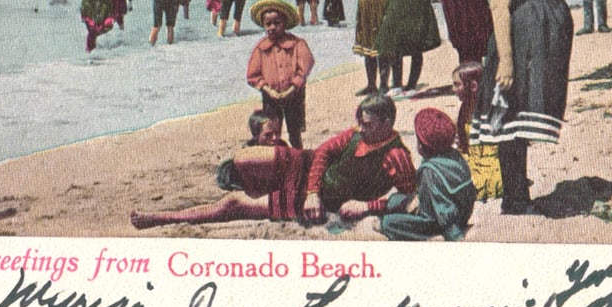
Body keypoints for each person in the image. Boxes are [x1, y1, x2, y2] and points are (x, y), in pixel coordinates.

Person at [131, 96, 416, 229]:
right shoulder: (354, 134)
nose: (360, 128)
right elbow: (323, 154)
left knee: (232, 206)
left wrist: (367, 207)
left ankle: (161, 218)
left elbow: (406, 196)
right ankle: (239, 177)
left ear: (387, 122)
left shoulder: (397, 156)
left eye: (367, 124)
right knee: (245, 161)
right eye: (360, 123)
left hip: (322, 200)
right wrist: (314, 192)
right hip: (309, 176)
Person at [469, 0, 574, 212]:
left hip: (543, 39)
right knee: (511, 115)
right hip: (524, 37)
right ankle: (514, 198)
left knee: (523, 112)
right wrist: (507, 60)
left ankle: (518, 192)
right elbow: (499, 6)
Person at [378, 108, 476, 241]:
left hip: (438, 220)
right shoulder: (453, 154)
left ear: (423, 145)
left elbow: (443, 209)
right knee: (394, 200)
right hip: (461, 210)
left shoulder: (429, 171)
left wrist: (454, 235)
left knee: (387, 223)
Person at [246, 0, 315, 150]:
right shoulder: (261, 48)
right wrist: (269, 90)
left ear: (284, 23)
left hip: (294, 95)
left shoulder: (297, 44)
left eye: (277, 23)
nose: (272, 27)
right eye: (268, 24)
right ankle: (273, 160)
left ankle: (298, 158)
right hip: (271, 97)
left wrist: (291, 89)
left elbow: (305, 67)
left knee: (294, 131)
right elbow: (253, 75)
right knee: (271, 131)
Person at [453, 61, 502, 200]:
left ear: (473, 86)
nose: (453, 89)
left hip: (490, 165)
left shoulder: (489, 111)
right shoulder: (465, 108)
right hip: (472, 159)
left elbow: (491, 155)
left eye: (457, 84)